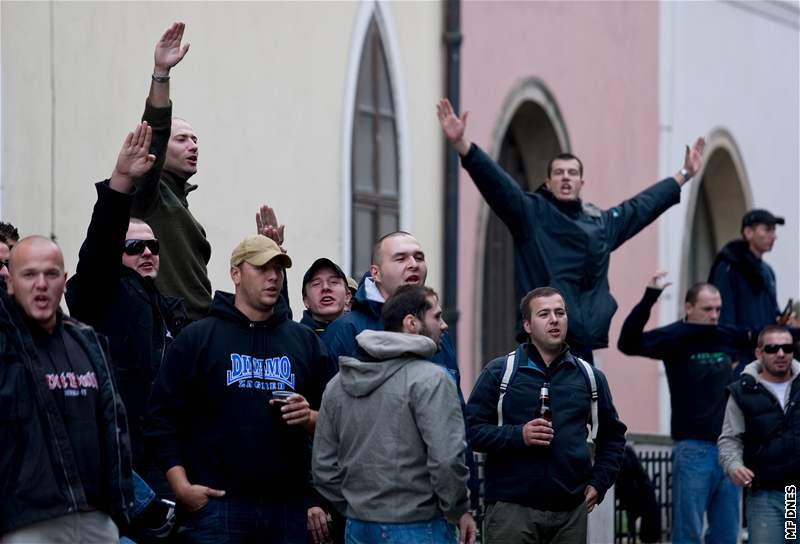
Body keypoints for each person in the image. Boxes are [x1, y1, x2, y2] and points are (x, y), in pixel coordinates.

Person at [437, 98, 706, 363]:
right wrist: (462, 145)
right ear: (548, 181)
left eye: (572, 173)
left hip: (582, 345)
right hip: (541, 347)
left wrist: (684, 174)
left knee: (587, 405)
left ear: (581, 182)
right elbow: (497, 184)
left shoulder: (601, 223)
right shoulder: (530, 214)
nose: (566, 177)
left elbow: (641, 207)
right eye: (559, 173)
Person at [146, 234, 337, 543]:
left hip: (287, 509)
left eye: (278, 269)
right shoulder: (198, 339)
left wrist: (310, 417)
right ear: (236, 273)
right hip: (217, 508)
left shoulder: (304, 342)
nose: (273, 276)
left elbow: (339, 423)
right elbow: (160, 420)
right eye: (262, 268)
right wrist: (181, 487)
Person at [65, 123, 187, 498]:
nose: (147, 253)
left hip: (167, 461)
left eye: (153, 247)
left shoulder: (170, 309)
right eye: (134, 247)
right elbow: (101, 244)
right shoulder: (102, 292)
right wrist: (120, 181)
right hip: (121, 459)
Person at [322, 231, 480, 509]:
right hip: (371, 508)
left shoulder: (438, 331)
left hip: (439, 505)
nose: (413, 264)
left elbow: (455, 417)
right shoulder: (346, 331)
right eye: (401, 258)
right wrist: (343, 503)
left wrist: (467, 495)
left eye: (419, 257)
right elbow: (325, 424)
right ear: (376, 272)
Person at [313, 285, 476, 544]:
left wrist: (357, 507)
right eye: (436, 316)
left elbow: (323, 467)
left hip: (357, 527)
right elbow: (447, 460)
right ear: (411, 323)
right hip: (419, 526)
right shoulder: (432, 379)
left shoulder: (338, 384)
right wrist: (458, 510)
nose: (444, 325)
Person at [466, 287, 626, 543]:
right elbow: (470, 431)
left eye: (560, 312)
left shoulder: (589, 377)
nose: (554, 319)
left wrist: (599, 482)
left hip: (570, 512)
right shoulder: (500, 372)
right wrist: (519, 435)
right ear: (528, 325)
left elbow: (613, 437)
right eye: (544, 314)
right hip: (512, 509)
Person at [0, 236, 133, 541]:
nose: (41, 284)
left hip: (95, 518)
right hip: (26, 522)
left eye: (50, 274)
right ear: (10, 283)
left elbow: (114, 429)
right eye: (29, 274)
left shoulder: (88, 341)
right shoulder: (5, 345)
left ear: (64, 280)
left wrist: (118, 507)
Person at [617, 275, 755, 544]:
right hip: (693, 447)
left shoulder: (726, 335)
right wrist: (650, 297)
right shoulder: (674, 337)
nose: (714, 315)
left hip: (731, 448)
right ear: (688, 307)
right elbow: (627, 342)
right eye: (707, 309)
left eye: (718, 309)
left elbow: (768, 338)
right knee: (688, 532)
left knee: (728, 533)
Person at [131, 22, 211, 321]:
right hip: (171, 329)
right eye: (182, 139)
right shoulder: (149, 193)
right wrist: (161, 74)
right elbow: (156, 128)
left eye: (195, 139)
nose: (193, 145)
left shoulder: (179, 200)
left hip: (198, 327)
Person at [718, 325, 799, 544]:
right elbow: (729, 439)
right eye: (772, 348)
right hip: (764, 495)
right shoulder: (741, 391)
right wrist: (734, 466)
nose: (781, 354)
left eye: (787, 347)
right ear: (759, 353)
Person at [710, 209, 790, 369]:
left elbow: (772, 313)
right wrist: (731, 358)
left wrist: (783, 320)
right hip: (741, 358)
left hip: (768, 357)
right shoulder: (728, 267)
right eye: (767, 229)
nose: (774, 236)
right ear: (748, 232)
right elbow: (723, 316)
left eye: (774, 230)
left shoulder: (768, 271)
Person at [300, 257, 351, 335]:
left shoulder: (362, 336)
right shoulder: (294, 339)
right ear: (306, 301)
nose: (325, 287)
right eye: (316, 283)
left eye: (333, 282)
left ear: (347, 296)